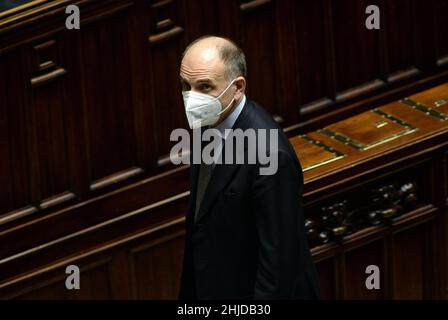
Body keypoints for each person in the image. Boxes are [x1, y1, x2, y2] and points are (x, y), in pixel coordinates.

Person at [178, 35, 320, 300]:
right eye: (186, 86)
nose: (191, 99)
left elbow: (278, 265)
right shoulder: (208, 122)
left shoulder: (271, 155)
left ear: (238, 87)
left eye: (205, 86)